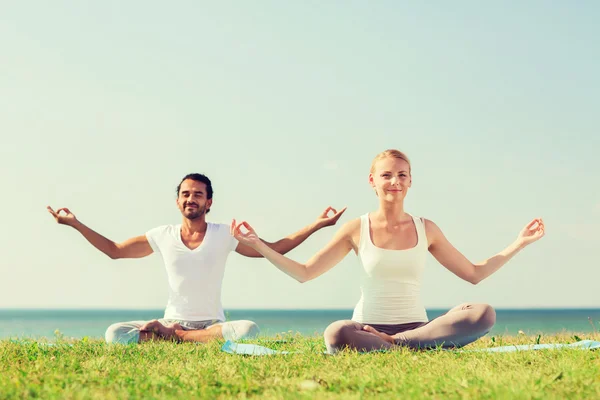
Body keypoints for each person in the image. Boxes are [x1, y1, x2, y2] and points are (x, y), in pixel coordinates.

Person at [231, 150, 545, 353]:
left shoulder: (427, 228)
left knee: (483, 312)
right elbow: (305, 273)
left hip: (418, 328)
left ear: (410, 182)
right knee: (337, 333)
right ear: (372, 181)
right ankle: (405, 345)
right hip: (366, 329)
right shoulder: (356, 228)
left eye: (402, 175)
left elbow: (474, 274)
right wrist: (259, 244)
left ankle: (397, 344)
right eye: (386, 175)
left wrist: (519, 242)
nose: (394, 181)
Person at [47, 173, 345, 344]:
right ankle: (177, 334)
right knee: (114, 334)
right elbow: (115, 250)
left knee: (248, 330)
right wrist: (75, 223)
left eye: (198, 194)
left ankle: (173, 338)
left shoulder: (225, 234)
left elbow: (275, 248)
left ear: (209, 202)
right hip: (171, 319)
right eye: (186, 194)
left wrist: (316, 225)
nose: (192, 199)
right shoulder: (161, 235)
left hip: (212, 324)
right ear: (178, 201)